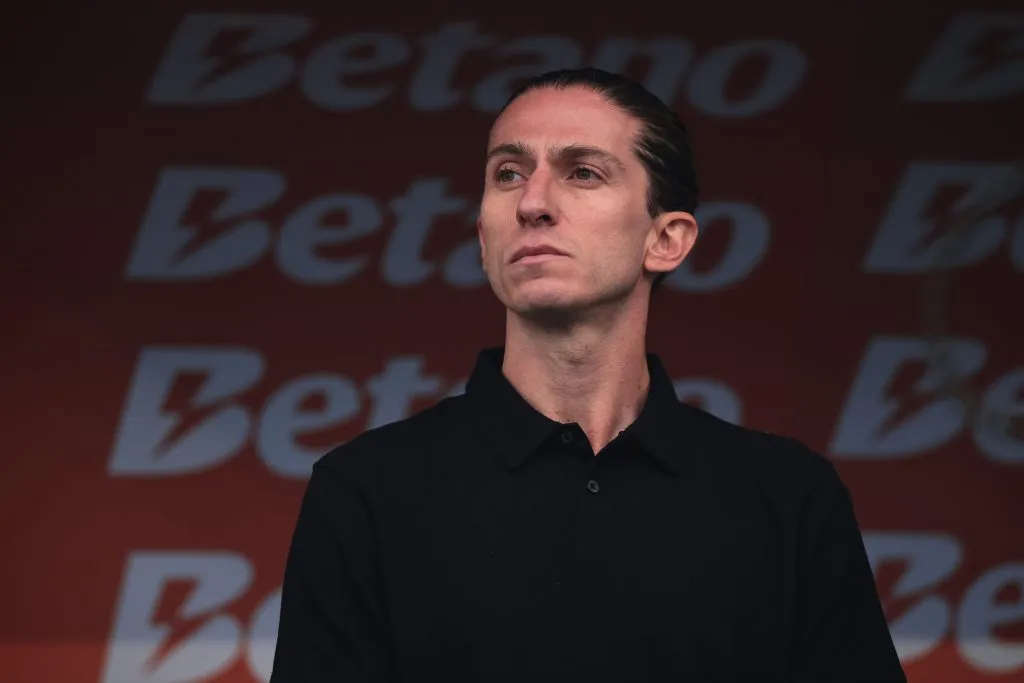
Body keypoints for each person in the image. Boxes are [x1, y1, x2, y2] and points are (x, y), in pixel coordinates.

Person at [268, 68, 906, 682]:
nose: (533, 203)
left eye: (583, 172)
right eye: (508, 173)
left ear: (668, 240)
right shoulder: (365, 490)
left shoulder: (789, 497)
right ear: (483, 238)